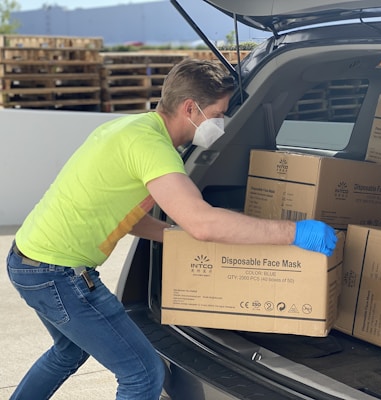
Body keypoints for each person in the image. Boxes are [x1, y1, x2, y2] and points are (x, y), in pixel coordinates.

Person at [6, 58, 337, 400]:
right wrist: (295, 233)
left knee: (67, 352)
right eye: (220, 112)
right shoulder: (155, 149)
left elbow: (125, 214)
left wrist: (173, 237)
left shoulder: (129, 129)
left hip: (28, 261)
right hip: (59, 275)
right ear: (191, 108)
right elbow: (203, 223)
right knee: (143, 375)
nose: (222, 122)